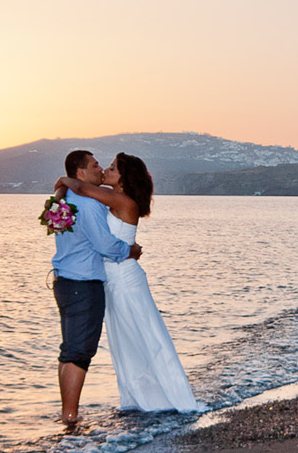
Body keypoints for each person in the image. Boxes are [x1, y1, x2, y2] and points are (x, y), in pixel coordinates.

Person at [55, 153, 198, 412]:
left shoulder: (121, 200)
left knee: (146, 336)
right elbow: (79, 199)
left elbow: (81, 187)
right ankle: (143, 398)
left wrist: (64, 180)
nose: (106, 170)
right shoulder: (108, 201)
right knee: (126, 343)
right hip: (111, 279)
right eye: (103, 166)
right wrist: (61, 192)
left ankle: (172, 397)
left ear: (124, 179)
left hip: (125, 279)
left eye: (112, 168)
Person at [52, 150, 143, 425]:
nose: (100, 168)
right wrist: (130, 250)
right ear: (80, 173)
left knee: (69, 350)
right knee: (79, 353)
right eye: (95, 165)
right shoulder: (89, 204)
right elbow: (105, 246)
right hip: (83, 284)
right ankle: (70, 416)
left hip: (63, 281)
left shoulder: (65, 199)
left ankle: (67, 413)